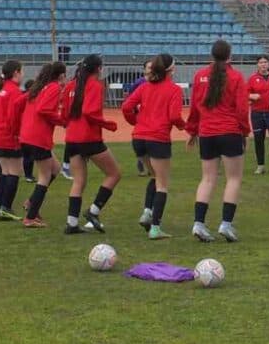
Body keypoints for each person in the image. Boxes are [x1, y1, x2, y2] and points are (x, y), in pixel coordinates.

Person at [186, 40, 250, 243]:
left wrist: (193, 130)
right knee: (233, 178)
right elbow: (241, 109)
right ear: (230, 55)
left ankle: (198, 223)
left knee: (207, 178)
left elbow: (195, 106)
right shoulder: (236, 76)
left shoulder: (200, 75)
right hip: (229, 131)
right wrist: (244, 132)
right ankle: (226, 224)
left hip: (207, 132)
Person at [122, 53, 185, 239]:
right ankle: (155, 228)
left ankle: (147, 212)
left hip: (139, 138)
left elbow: (126, 107)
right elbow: (174, 117)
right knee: (163, 184)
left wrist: (136, 122)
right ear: (171, 69)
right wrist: (185, 127)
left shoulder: (145, 87)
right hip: (158, 138)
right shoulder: (174, 89)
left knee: (155, 176)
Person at [62, 55, 121, 235]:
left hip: (71, 138)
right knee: (114, 174)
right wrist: (106, 124)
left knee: (79, 181)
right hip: (89, 138)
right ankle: (93, 211)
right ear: (98, 68)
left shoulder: (71, 85)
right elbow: (89, 111)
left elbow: (65, 113)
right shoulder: (95, 85)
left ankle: (71, 223)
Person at [19, 62, 67, 228]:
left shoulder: (38, 88)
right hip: (38, 137)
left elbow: (21, 104)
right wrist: (62, 120)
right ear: (60, 75)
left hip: (28, 135)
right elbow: (44, 109)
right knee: (44, 176)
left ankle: (31, 202)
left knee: (55, 168)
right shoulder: (53, 87)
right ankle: (30, 216)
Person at [0, 60, 24, 222]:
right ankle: (6, 207)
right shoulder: (14, 91)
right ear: (16, 72)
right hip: (8, 135)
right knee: (14, 171)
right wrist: (17, 134)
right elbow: (13, 116)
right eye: (21, 71)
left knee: (4, 171)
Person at [247, 54, 269, 175]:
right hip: (257, 114)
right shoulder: (252, 78)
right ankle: (260, 166)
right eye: (261, 62)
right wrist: (251, 96)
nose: (263, 64)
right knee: (258, 140)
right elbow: (245, 93)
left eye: (265, 62)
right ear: (257, 64)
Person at [128, 60, 151, 177]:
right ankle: (142, 165)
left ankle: (151, 166)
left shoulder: (158, 83)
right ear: (144, 69)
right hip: (141, 116)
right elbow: (130, 97)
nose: (151, 69)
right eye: (148, 67)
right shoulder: (139, 82)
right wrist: (135, 108)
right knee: (142, 139)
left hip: (153, 116)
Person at [20, 78, 36, 183]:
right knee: (29, 155)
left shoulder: (24, 97)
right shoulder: (27, 97)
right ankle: (28, 175)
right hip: (26, 128)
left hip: (24, 128)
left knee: (28, 155)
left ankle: (28, 174)